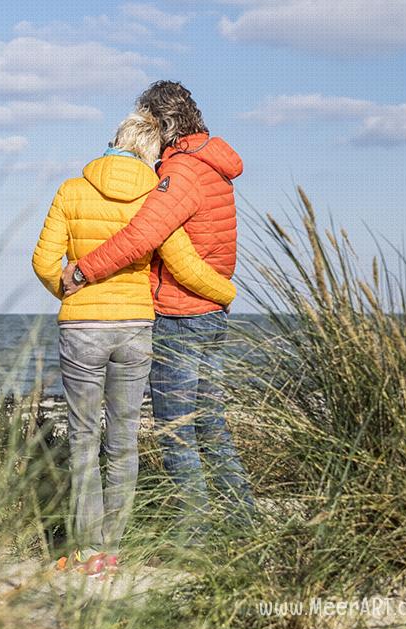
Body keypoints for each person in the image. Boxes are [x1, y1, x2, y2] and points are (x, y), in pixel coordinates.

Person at [32, 110, 236, 574]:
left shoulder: (71, 189)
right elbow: (184, 265)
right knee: (122, 440)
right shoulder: (152, 197)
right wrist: (226, 292)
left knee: (83, 438)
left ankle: (86, 549)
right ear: (150, 151)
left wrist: (68, 291)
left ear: (115, 140)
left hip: (81, 328)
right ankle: (113, 551)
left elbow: (44, 260)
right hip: (136, 329)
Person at [62, 81, 255, 543]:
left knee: (176, 433)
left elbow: (142, 236)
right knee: (210, 424)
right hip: (209, 314)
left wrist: (83, 273)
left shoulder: (182, 173)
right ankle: (243, 526)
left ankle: (195, 540)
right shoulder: (213, 166)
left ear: (161, 124)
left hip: (179, 315)